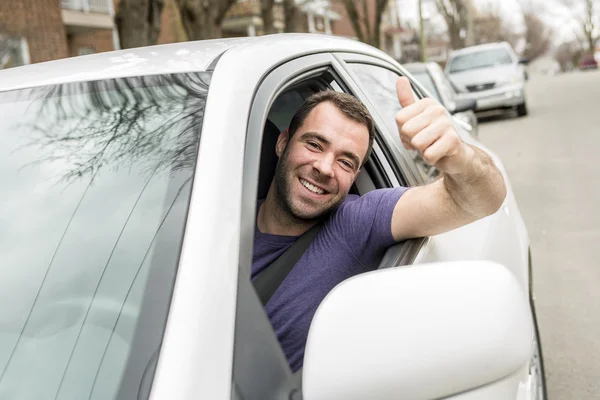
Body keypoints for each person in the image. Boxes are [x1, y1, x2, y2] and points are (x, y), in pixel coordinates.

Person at [252, 77, 506, 372]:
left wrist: (458, 156)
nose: (324, 168)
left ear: (356, 174)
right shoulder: (216, 223)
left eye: (345, 162)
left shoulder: (354, 223)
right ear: (283, 143)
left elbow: (480, 199)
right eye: (314, 144)